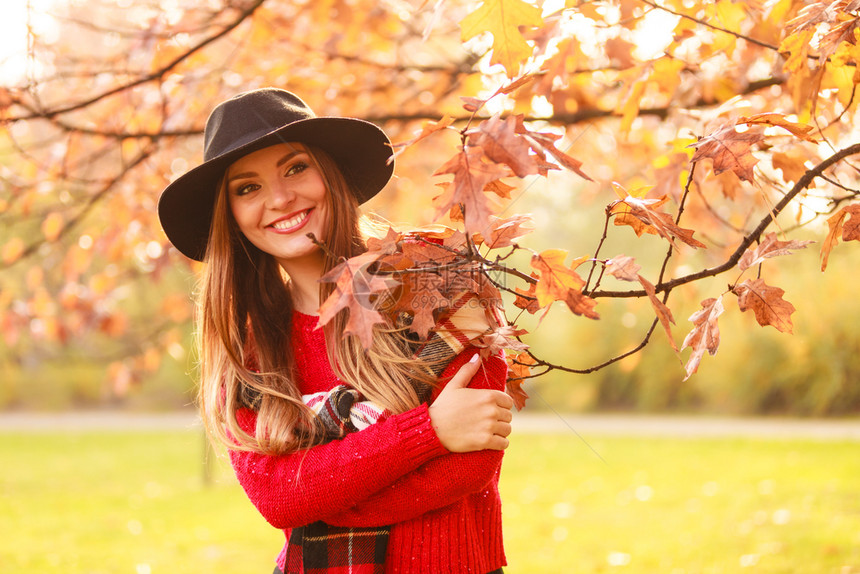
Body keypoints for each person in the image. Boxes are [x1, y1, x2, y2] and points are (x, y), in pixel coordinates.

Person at [157, 87, 514, 574]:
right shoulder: (248, 347)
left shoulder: (439, 281)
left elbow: (470, 464)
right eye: (248, 188)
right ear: (232, 217)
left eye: (296, 167)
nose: (281, 198)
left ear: (330, 171)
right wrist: (428, 432)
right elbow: (277, 498)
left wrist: (319, 498)